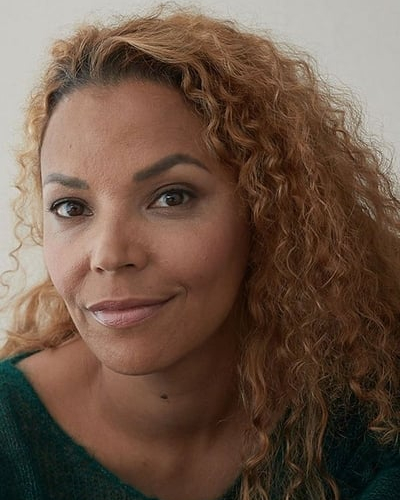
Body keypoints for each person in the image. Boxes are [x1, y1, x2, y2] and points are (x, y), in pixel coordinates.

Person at [0, 6, 399, 500]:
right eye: (71, 207)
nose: (109, 253)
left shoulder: (371, 427)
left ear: (266, 212)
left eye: (171, 198)